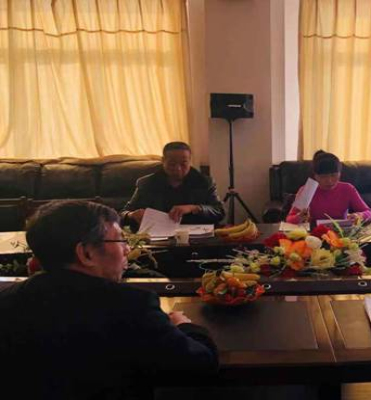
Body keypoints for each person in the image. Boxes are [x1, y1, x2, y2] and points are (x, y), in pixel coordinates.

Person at [0, 200, 218, 399]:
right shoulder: (132, 306)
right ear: (86, 253)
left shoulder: (8, 300)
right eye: (120, 240)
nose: (127, 248)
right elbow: (200, 365)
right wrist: (184, 326)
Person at [122, 141, 225, 228]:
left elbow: (219, 211)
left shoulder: (205, 182)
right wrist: (132, 215)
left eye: (183, 164)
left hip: (196, 237)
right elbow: (123, 213)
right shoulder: (146, 183)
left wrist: (194, 208)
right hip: (158, 238)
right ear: (163, 161)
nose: (178, 169)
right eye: (172, 164)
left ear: (190, 161)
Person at [286, 150, 371, 224]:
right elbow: (289, 218)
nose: (329, 181)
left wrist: (359, 216)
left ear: (340, 173)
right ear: (315, 176)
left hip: (341, 233)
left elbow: (370, 213)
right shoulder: (307, 190)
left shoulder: (348, 189)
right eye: (323, 177)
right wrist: (299, 217)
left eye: (333, 175)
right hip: (315, 234)